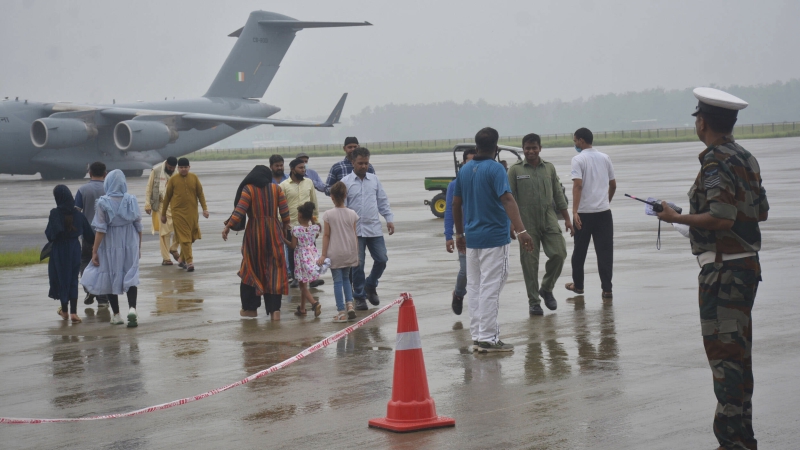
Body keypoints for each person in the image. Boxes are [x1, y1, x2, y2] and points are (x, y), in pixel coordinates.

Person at [657, 87, 768, 450]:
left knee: (724, 357)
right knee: (738, 356)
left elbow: (722, 216)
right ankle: (743, 436)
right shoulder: (746, 158)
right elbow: (758, 211)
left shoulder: (715, 161)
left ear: (702, 121)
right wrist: (687, 219)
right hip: (745, 267)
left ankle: (731, 441)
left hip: (724, 274)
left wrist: (677, 216)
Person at [452, 127, 533, 353]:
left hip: (473, 238)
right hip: (495, 238)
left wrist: (459, 234)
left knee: (475, 287)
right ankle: (488, 337)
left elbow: (456, 204)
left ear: (476, 146)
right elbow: (507, 199)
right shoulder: (496, 169)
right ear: (496, 148)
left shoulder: (465, 170)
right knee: (491, 287)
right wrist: (522, 230)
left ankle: (478, 335)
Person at [508, 133, 574, 316]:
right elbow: (508, 198)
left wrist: (567, 219)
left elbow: (558, 195)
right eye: (527, 148)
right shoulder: (515, 170)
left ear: (540, 148)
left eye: (534, 147)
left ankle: (546, 288)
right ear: (523, 149)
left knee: (559, 253)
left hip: (548, 216)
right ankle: (534, 302)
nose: (531, 151)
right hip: (525, 220)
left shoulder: (549, 169)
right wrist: (512, 223)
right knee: (530, 262)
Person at [222, 165, 291, 320]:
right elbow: (285, 212)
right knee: (275, 271)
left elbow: (240, 210)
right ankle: (275, 311)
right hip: (274, 233)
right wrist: (285, 226)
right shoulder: (276, 189)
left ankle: (250, 308)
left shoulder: (249, 189)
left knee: (250, 268)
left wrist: (228, 225)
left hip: (254, 234)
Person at [80, 170, 142, 328]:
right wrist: (138, 247)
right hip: (130, 241)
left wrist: (94, 250)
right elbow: (138, 226)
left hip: (110, 244)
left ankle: (116, 315)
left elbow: (100, 229)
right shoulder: (131, 200)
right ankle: (133, 309)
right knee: (130, 275)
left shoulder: (103, 202)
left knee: (109, 275)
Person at [341, 147, 394, 310]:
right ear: (353, 163)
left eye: (366, 163)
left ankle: (370, 285)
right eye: (360, 163)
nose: (364, 166)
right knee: (358, 264)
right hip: (354, 230)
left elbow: (382, 201)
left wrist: (389, 219)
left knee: (382, 259)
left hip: (374, 228)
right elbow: (342, 207)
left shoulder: (374, 180)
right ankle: (359, 296)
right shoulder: (345, 182)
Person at [566, 127, 616, 299]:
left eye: (575, 141)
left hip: (584, 214)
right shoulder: (605, 157)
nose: (575, 144)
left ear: (580, 140)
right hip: (604, 213)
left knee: (579, 252)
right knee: (605, 253)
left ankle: (578, 286)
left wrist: (574, 211)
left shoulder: (578, 159)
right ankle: (607, 289)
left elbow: (577, 185)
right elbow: (613, 184)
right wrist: (605, 201)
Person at [46, 185, 95, 323]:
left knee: (62, 278)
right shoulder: (79, 215)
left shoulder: (55, 213)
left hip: (60, 249)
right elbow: (89, 235)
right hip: (74, 248)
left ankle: (64, 310)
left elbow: (51, 235)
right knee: (73, 279)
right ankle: (74, 312)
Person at [318, 181, 359, 322]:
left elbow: (326, 235)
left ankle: (341, 312)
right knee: (347, 279)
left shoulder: (328, 215)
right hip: (348, 251)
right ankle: (350, 305)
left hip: (334, 252)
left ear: (332, 197)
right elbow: (354, 234)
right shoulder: (352, 214)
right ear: (346, 196)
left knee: (337, 282)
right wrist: (355, 253)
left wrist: (323, 254)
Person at [160, 158, 209, 272]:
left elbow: (200, 194)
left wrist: (205, 209)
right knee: (185, 238)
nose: (183, 169)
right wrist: (163, 215)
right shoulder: (173, 180)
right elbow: (167, 198)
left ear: (189, 167)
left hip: (192, 213)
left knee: (190, 237)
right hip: (178, 213)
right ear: (178, 168)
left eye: (185, 167)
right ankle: (190, 261)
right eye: (181, 168)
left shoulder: (194, 178)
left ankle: (181, 258)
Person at [444, 147, 476, 315]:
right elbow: (450, 210)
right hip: (464, 234)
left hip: (481, 232)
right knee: (465, 270)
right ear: (464, 162)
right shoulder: (455, 185)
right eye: (468, 160)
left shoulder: (483, 181)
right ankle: (458, 293)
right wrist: (449, 235)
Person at [280, 158, 319, 288]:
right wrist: (282, 224)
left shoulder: (309, 183)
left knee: (310, 250)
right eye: (300, 168)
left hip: (307, 226)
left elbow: (314, 202)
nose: (303, 170)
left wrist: (316, 222)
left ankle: (312, 278)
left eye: (304, 168)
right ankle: (296, 277)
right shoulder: (284, 185)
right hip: (290, 225)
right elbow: (279, 206)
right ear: (292, 169)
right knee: (292, 252)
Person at [75, 161, 109, 307]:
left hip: (88, 236)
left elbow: (76, 213)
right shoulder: (110, 189)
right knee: (104, 266)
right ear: (105, 174)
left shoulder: (82, 190)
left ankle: (89, 288)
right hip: (107, 236)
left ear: (89, 173)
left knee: (85, 262)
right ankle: (103, 299)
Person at [283, 201, 322, 317]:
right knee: (304, 284)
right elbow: (316, 232)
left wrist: (283, 238)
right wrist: (313, 220)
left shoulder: (296, 230)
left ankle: (314, 303)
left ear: (299, 216)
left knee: (302, 285)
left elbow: (293, 246)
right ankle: (302, 309)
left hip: (301, 259)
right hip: (311, 257)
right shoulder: (315, 228)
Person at [144, 156, 179, 266]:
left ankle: (173, 248)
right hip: (160, 204)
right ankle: (166, 258)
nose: (171, 169)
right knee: (164, 232)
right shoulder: (156, 170)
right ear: (166, 164)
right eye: (170, 167)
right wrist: (147, 204)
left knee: (179, 229)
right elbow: (149, 187)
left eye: (173, 167)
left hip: (174, 205)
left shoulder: (177, 173)